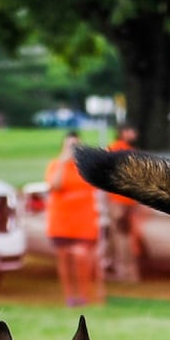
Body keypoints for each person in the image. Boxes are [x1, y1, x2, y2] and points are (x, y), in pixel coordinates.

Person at [45, 131, 102, 307]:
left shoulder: (86, 167)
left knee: (82, 258)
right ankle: (69, 295)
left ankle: (85, 294)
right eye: (69, 145)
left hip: (83, 220)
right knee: (64, 259)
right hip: (61, 220)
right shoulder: (56, 164)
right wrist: (63, 161)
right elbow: (54, 185)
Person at [106, 124, 143, 282]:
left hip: (119, 200)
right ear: (121, 132)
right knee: (121, 234)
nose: (133, 133)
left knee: (121, 234)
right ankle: (124, 270)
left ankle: (125, 271)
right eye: (130, 130)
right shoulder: (122, 150)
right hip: (123, 199)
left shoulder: (119, 150)